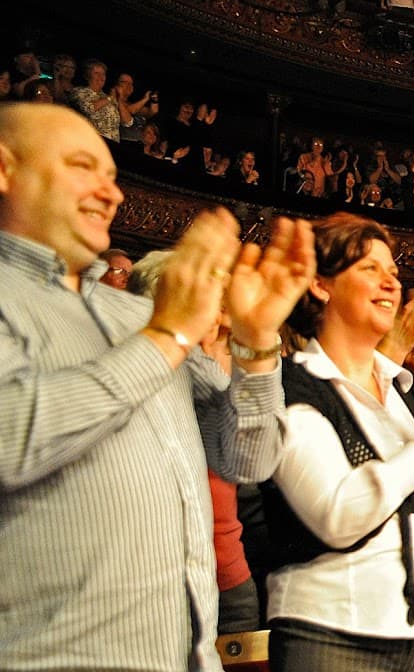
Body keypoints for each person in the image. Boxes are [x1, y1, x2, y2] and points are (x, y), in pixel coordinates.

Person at [0, 102, 314, 671]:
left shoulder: (131, 318)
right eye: (82, 166)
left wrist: (256, 340)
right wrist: (167, 334)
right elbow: (9, 437)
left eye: (114, 178)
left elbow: (247, 456)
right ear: (4, 169)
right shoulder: (150, 325)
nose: (112, 194)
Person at [263, 214, 414, 672]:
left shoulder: (405, 390)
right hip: (335, 635)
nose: (390, 282)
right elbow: (338, 515)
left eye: (392, 271)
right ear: (321, 285)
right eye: (369, 269)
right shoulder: (293, 387)